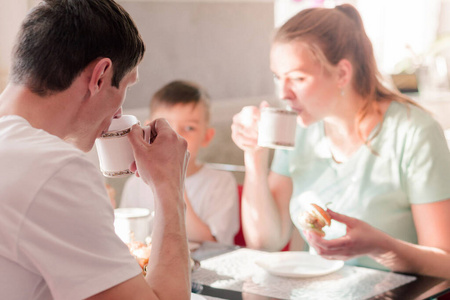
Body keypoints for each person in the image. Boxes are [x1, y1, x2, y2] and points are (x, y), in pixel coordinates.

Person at [231, 4, 450, 278]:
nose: (284, 93)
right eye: (279, 77)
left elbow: (446, 262)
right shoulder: (298, 129)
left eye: (298, 78)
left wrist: (382, 247)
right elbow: (265, 241)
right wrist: (254, 156)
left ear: (342, 74)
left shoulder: (414, 132)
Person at [0, 1, 191, 299]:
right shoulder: (52, 170)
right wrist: (169, 186)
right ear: (100, 76)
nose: (119, 111)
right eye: (125, 86)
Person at [121, 80, 240, 245]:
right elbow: (130, 240)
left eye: (189, 128)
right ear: (148, 132)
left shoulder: (221, 182)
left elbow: (213, 244)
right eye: (166, 127)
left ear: (207, 136)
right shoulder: (135, 185)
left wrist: (174, 181)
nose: (174, 137)